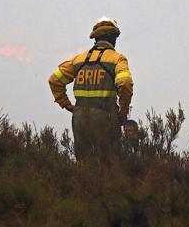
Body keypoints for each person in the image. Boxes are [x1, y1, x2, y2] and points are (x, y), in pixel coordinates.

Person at [48, 17, 134, 160]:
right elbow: (125, 83)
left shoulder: (78, 59)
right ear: (113, 38)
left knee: (84, 163)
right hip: (106, 117)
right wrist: (122, 113)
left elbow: (54, 80)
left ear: (96, 38)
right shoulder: (117, 59)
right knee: (109, 162)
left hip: (80, 118)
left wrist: (67, 105)